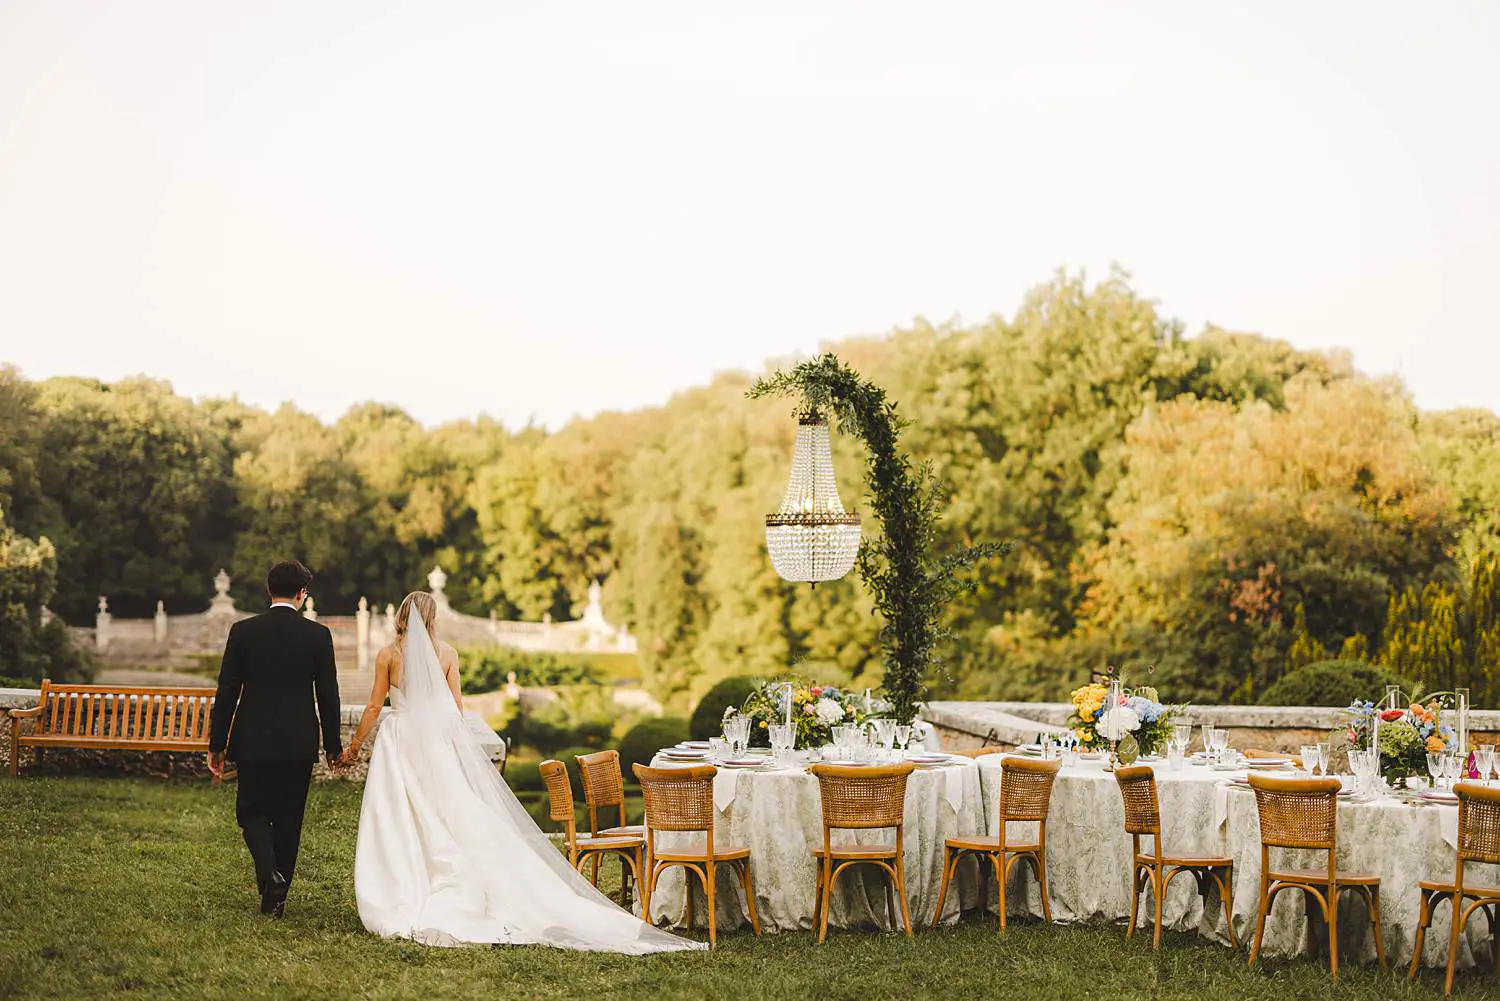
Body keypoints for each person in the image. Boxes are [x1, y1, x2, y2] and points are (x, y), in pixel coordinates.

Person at [338, 591, 700, 953]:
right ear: (433, 619)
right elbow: (456, 711)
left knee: (399, 814)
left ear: (402, 615)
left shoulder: (389, 654)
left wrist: (353, 748)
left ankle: (400, 885)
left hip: (401, 741)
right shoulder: (447, 654)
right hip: (436, 744)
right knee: (448, 813)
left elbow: (373, 705)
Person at [208, 559, 344, 918]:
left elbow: (227, 692)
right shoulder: (318, 635)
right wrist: (333, 746)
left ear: (269, 590)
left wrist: (216, 743)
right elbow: (328, 695)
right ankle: (275, 900)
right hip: (299, 742)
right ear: (302, 594)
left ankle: (270, 878)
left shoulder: (243, 631)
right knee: (289, 820)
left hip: (253, 739)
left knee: (250, 812)